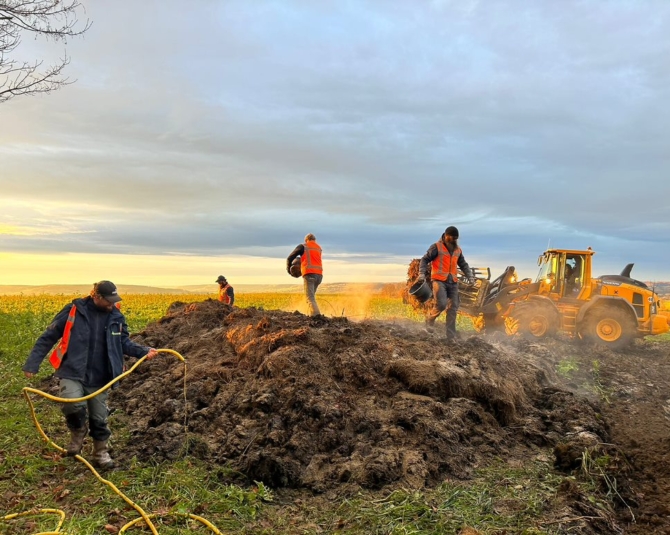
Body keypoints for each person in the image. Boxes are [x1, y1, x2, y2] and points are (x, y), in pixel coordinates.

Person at [22, 281, 158, 469]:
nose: (113, 304)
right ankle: (78, 432)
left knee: (99, 417)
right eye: (109, 300)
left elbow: (124, 342)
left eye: (114, 300)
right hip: (73, 371)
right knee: (71, 404)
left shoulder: (116, 317)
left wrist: (144, 351)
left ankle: (100, 453)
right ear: (96, 296)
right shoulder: (73, 312)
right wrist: (32, 363)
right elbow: (49, 336)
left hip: (101, 376)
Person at [418, 226, 475, 341]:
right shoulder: (436, 247)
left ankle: (451, 336)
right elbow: (425, 260)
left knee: (453, 308)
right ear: (446, 235)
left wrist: (470, 276)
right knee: (442, 304)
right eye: (452, 238)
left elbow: (463, 264)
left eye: (456, 238)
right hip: (439, 281)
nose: (454, 240)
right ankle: (430, 319)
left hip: (453, 282)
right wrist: (421, 274)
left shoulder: (458, 250)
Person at [286, 233, 323, 316]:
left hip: (309, 274)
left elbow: (289, 258)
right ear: (314, 240)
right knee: (312, 297)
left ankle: (317, 317)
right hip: (319, 275)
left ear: (306, 240)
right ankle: (311, 314)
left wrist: (289, 270)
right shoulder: (319, 248)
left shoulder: (304, 246)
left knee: (310, 298)